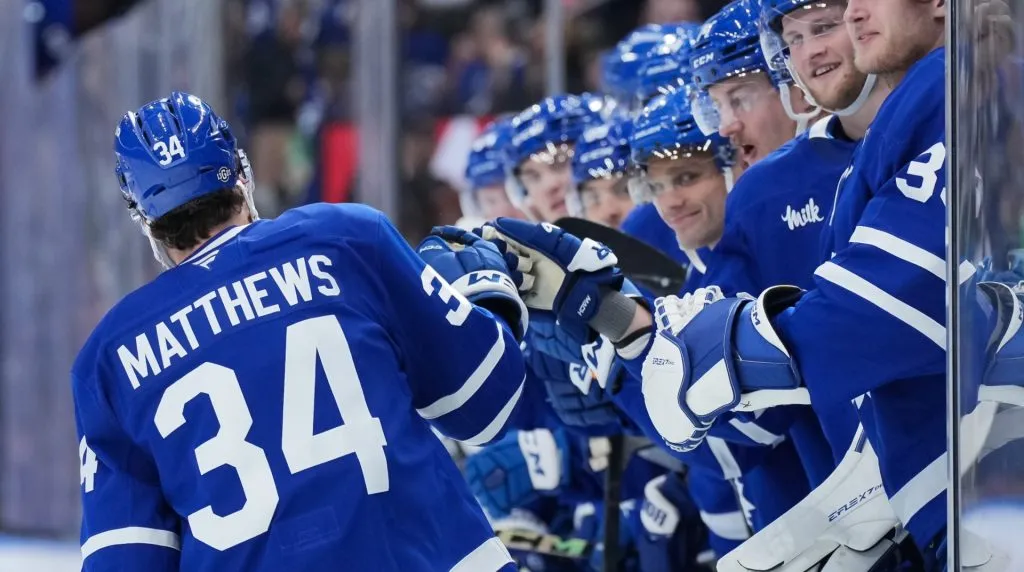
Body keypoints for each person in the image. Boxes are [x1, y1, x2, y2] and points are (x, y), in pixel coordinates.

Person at [482, 0, 956, 559]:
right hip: (869, 513)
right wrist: (624, 332)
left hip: (953, 488)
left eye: (739, 95)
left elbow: (870, 317)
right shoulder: (769, 191)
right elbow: (750, 425)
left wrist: (650, 339)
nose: (726, 125)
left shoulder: (945, 99)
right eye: (795, 38)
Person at [74, 92, 530, 571]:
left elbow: (124, 562)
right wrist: (485, 294)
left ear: (144, 219)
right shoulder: (345, 237)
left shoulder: (108, 358)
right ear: (241, 174)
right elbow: (486, 405)